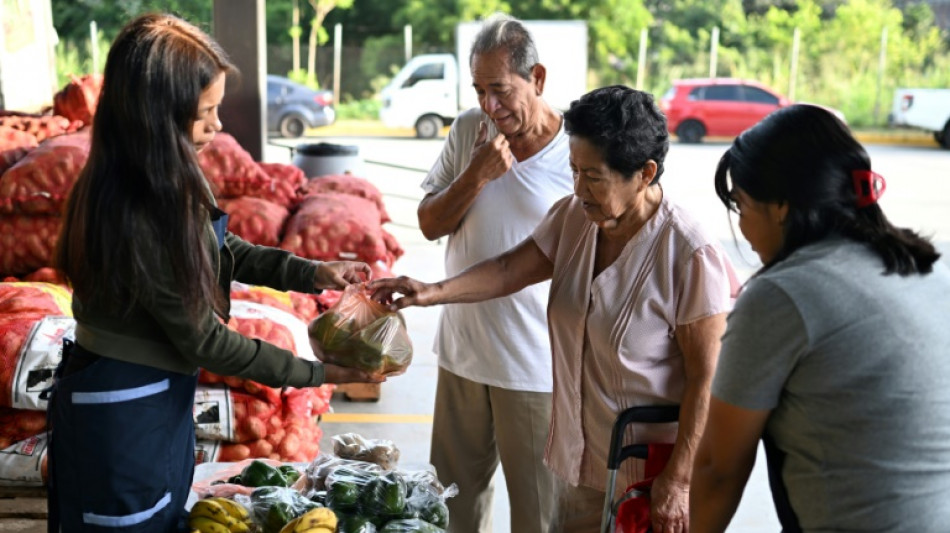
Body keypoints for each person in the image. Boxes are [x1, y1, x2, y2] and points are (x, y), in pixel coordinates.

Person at [49, 13, 381, 532]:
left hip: (148, 402)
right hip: (123, 412)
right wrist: (315, 374)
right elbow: (206, 341)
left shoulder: (164, 177)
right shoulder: (142, 206)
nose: (218, 125)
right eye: (205, 113)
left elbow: (221, 249)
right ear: (155, 114)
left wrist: (314, 273)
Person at [372, 85, 739, 532]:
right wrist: (431, 291)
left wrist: (679, 480)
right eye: (573, 170)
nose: (579, 188)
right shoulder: (574, 218)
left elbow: (708, 379)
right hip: (579, 463)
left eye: (594, 177)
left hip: (649, 477)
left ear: (645, 173)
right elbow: (508, 269)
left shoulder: (688, 253)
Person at [690, 104, 950, 532]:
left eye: (741, 205)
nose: (743, 228)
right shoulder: (926, 270)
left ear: (781, 206)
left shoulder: (782, 295)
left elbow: (719, 469)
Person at [411, 13, 573, 533]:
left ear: (537, 78)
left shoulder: (576, 154)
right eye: (480, 90)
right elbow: (429, 223)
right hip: (462, 354)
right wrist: (475, 175)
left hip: (533, 366)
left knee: (539, 517)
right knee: (451, 510)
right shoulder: (468, 131)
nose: (490, 105)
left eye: (500, 90)